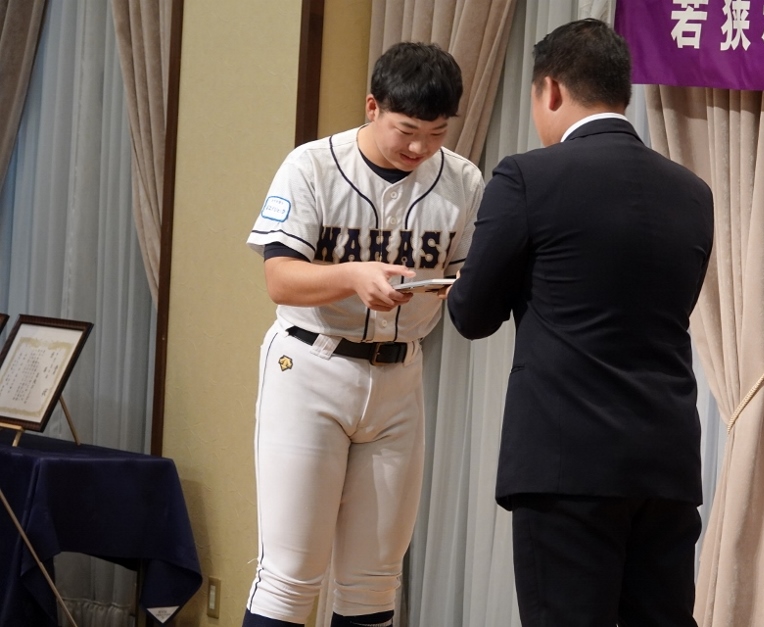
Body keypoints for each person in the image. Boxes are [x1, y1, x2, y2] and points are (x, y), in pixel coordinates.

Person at [447, 18, 714, 627]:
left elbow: (471, 313)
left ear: (552, 90)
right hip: (666, 463)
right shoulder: (692, 192)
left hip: (566, 464)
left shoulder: (527, 177)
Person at [242, 42, 483, 627]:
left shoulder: (462, 180)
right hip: (311, 368)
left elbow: (467, 271)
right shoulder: (311, 166)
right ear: (373, 106)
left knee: (374, 579)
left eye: (436, 132)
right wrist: (351, 276)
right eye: (407, 130)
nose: (419, 148)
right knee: (291, 575)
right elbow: (279, 278)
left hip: (400, 375)